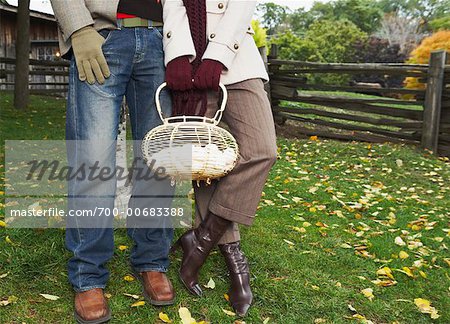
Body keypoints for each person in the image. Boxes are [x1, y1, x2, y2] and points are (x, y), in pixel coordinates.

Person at [50, 1, 174, 323]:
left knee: (159, 160)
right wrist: (78, 28)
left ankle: (151, 260)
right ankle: (88, 274)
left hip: (163, 40)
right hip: (103, 37)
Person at [162, 0, 277, 317]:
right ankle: (232, 255)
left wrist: (216, 56)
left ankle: (198, 246)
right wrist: (179, 58)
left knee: (262, 149)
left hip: (235, 55)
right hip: (186, 58)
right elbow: (173, 5)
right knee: (207, 163)